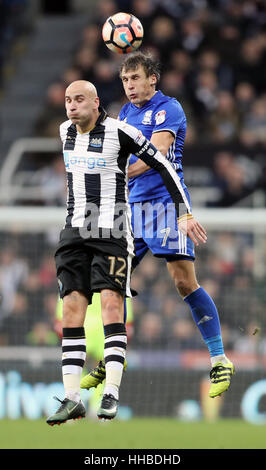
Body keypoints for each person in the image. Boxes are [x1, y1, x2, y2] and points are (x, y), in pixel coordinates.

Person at [46, 79, 207, 425]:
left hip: (114, 231)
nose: (71, 106)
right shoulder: (64, 132)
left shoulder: (121, 132)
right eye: (67, 100)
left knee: (110, 303)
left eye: (78, 100)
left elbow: (163, 164)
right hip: (74, 230)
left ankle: (111, 393)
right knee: (71, 306)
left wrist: (183, 211)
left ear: (95, 102)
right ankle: (72, 397)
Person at [81, 52, 234, 400]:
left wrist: (119, 171)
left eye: (135, 78)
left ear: (153, 79)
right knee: (110, 281)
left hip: (167, 205)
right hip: (133, 209)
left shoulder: (169, 108)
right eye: (125, 80)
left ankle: (219, 358)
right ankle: (112, 355)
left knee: (183, 282)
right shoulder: (126, 113)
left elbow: (158, 153)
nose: (130, 86)